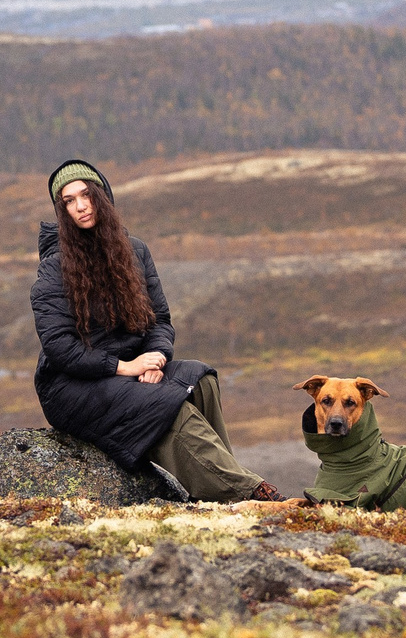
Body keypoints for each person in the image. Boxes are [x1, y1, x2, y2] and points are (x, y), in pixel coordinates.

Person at [30, 158, 279, 503]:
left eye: (86, 194)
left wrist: (158, 358)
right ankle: (247, 493)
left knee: (199, 379)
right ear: (61, 212)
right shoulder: (54, 268)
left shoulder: (135, 252)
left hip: (131, 368)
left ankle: (227, 479)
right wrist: (127, 368)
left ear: (103, 196)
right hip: (72, 385)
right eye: (68, 201)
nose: (80, 206)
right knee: (167, 404)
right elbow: (59, 348)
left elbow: (160, 320)